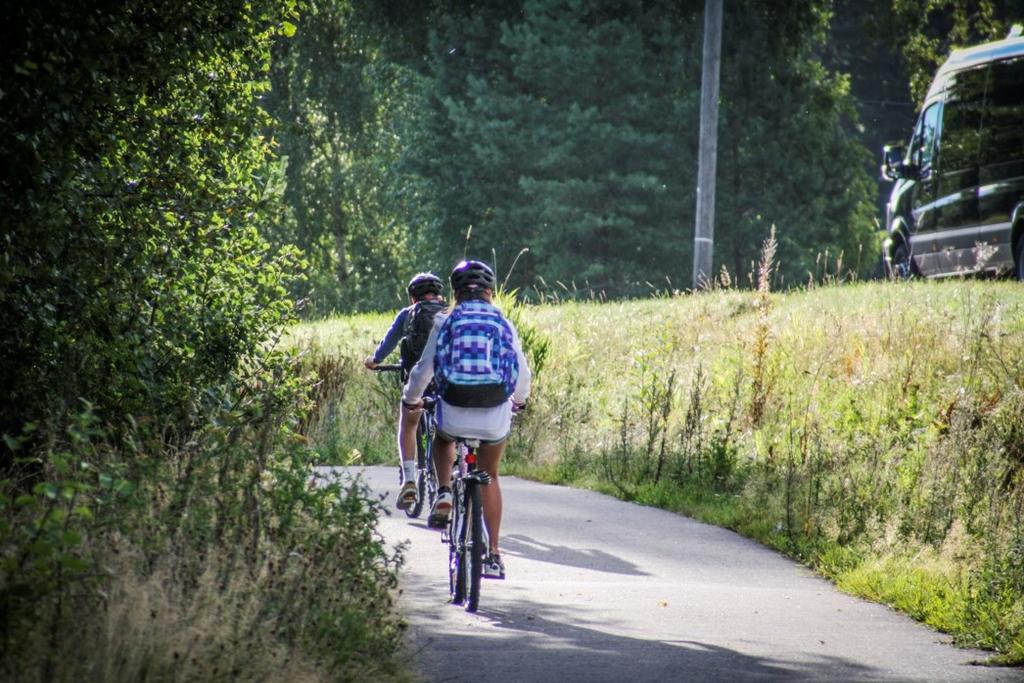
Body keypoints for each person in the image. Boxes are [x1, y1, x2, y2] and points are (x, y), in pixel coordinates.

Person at [402, 259, 531, 580]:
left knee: (443, 438)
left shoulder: (445, 321)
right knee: (490, 475)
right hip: (493, 415)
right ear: (490, 291)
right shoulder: (503, 321)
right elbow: (521, 373)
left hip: (455, 408)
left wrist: (411, 399)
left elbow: (423, 370)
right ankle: (494, 554)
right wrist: (519, 401)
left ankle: (444, 490)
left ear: (456, 293)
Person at [364, 272, 446, 510]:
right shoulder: (450, 314)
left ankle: (409, 479)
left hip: (418, 384)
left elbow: (387, 345)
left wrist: (374, 360)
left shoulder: (407, 315)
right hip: (445, 383)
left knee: (408, 423)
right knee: (447, 431)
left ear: (413, 298)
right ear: (441, 295)